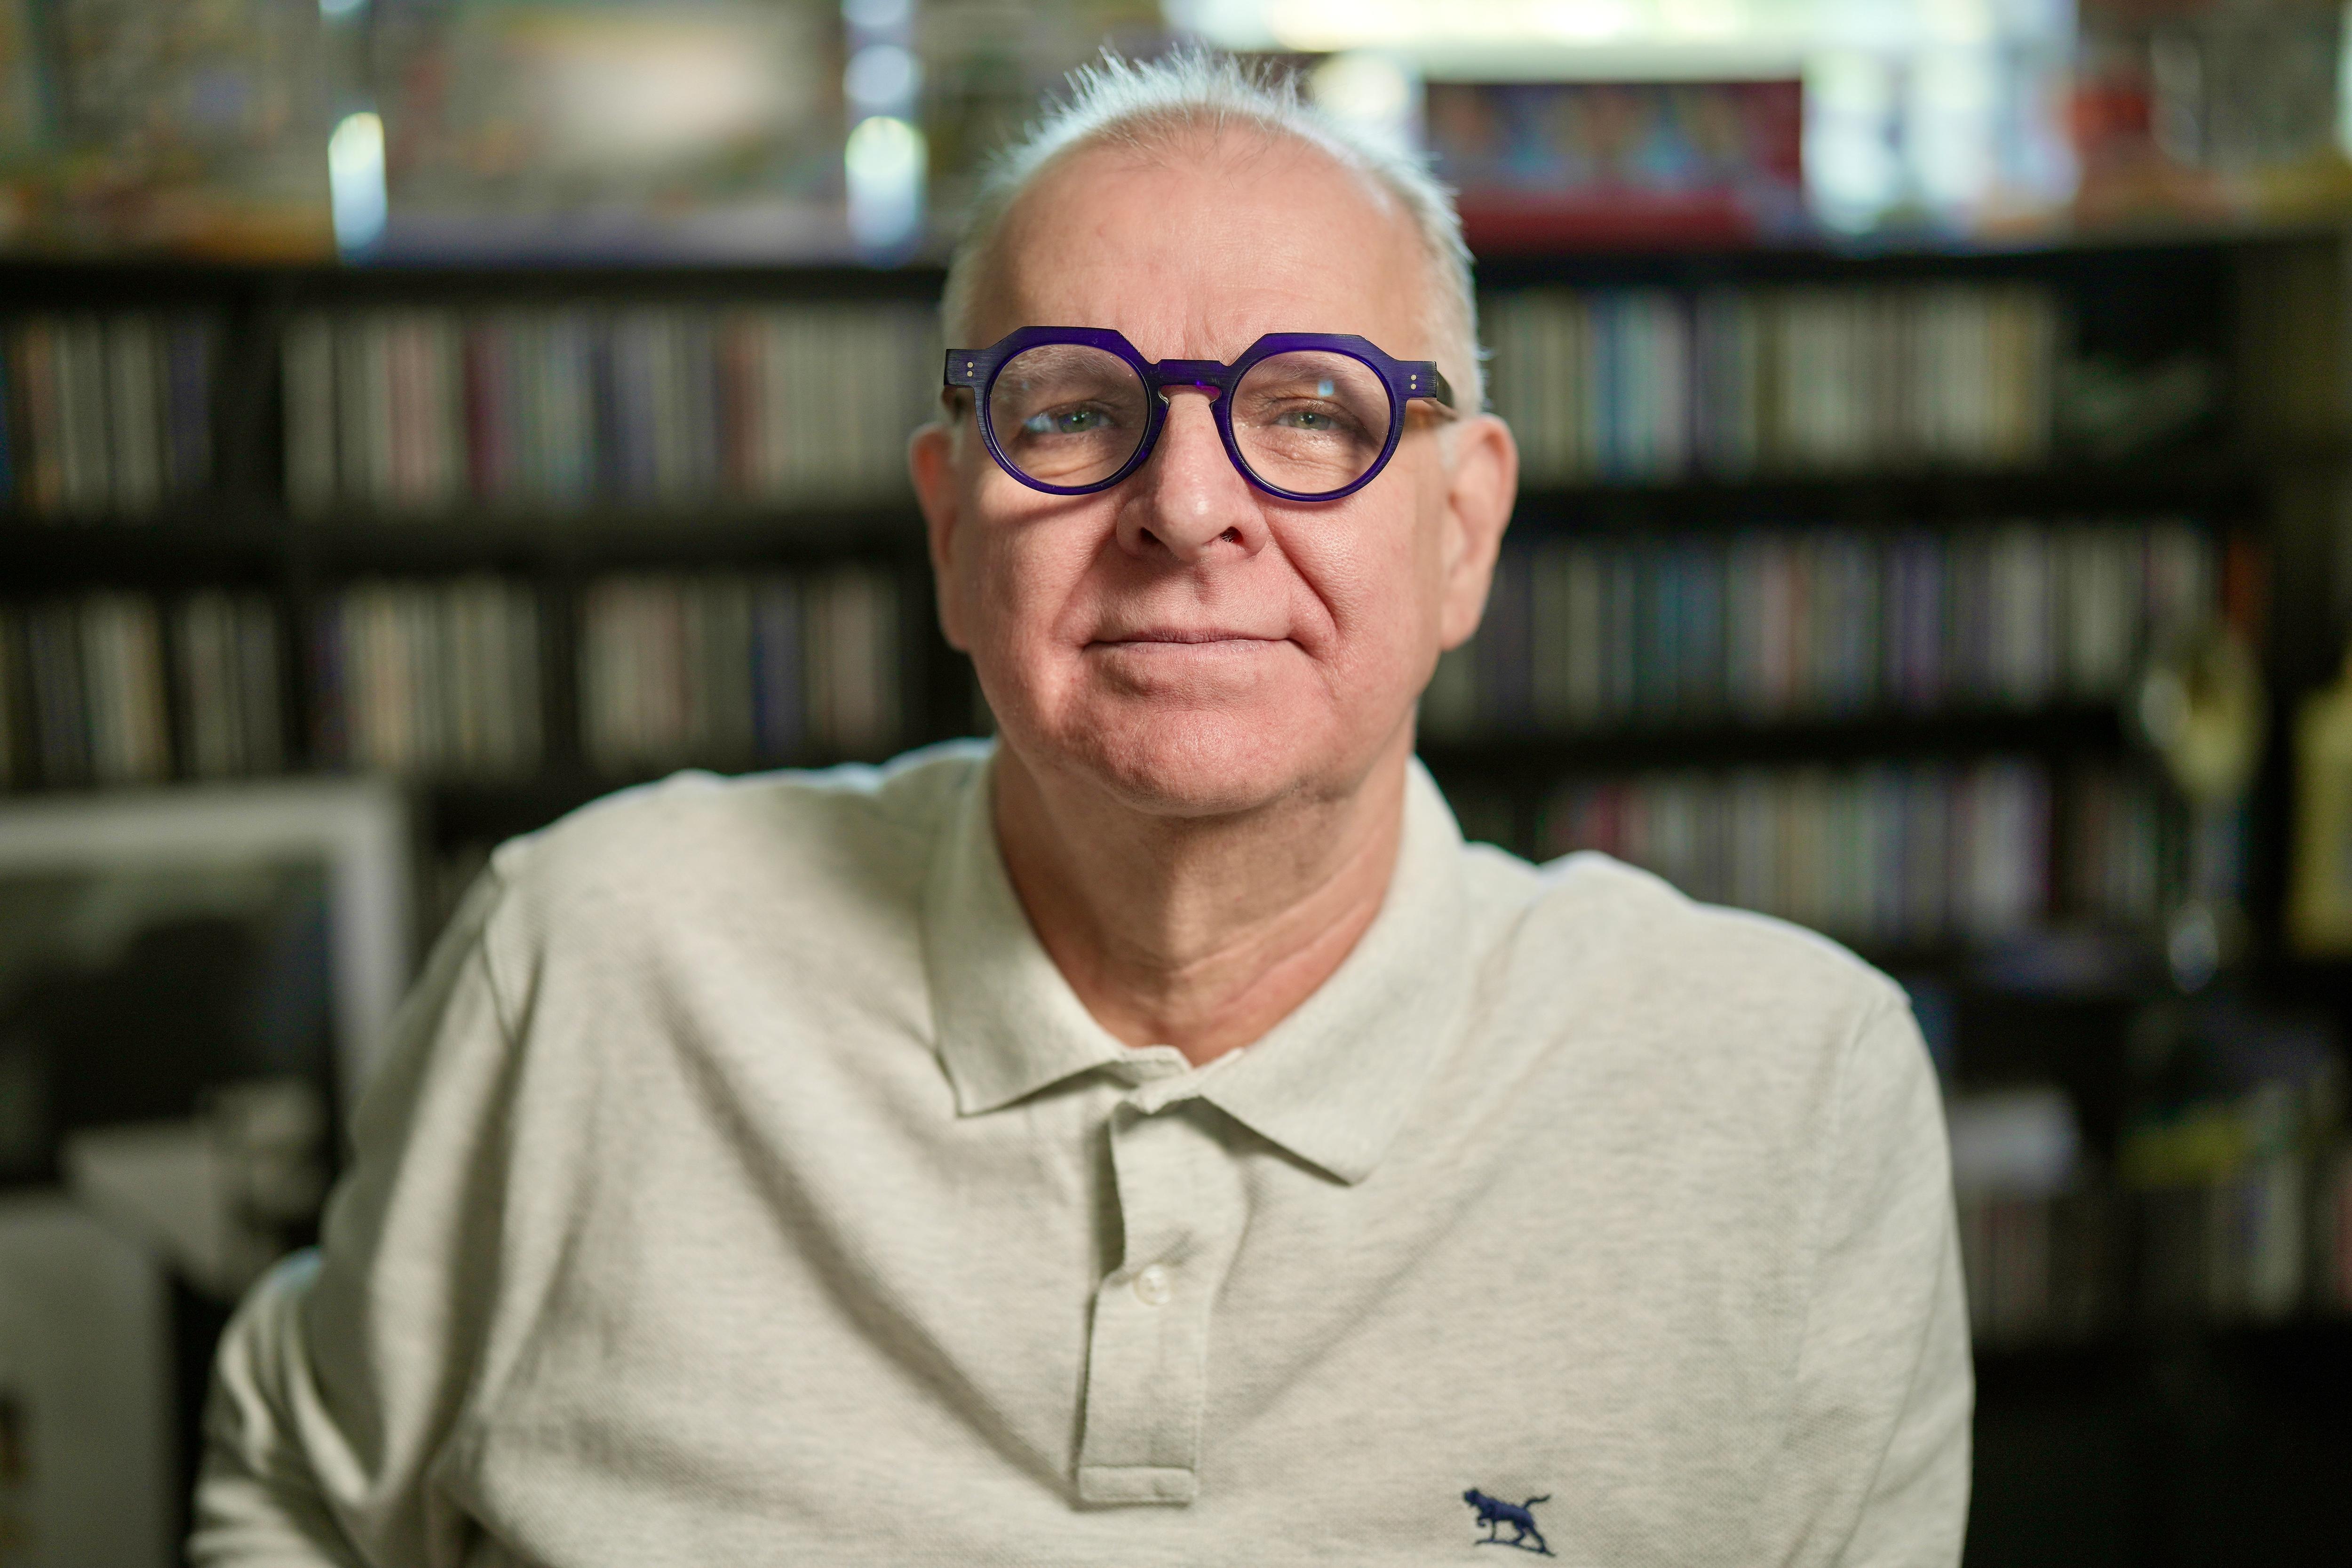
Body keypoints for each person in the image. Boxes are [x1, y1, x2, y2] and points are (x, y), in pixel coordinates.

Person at [193, 52, 1971, 1567]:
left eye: (1306, 410)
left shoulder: (1793, 1092)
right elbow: (293, 1487)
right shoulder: (586, 957)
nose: (1186, 505)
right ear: (953, 531)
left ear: (1463, 531)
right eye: (1070, 411)